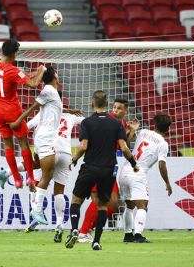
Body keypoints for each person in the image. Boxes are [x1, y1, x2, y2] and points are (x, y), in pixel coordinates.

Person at [64, 90, 139, 251]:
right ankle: (96, 241)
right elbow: (124, 147)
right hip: (108, 169)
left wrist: (74, 159)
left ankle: (76, 230)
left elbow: (83, 146)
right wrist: (133, 163)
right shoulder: (116, 124)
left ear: (92, 104)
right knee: (103, 205)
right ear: (107, 105)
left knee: (76, 201)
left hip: (89, 167)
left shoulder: (87, 122)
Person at [9, 66, 63, 226]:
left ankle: (6, 173)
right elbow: (33, 107)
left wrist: (69, 110)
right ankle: (37, 209)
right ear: (54, 75)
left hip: (42, 137)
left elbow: (49, 109)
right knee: (48, 174)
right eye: (57, 73)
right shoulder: (49, 90)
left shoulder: (51, 92)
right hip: (46, 138)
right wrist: (19, 121)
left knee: (36, 165)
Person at [0, 39, 46, 189]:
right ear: (14, 54)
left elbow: (21, 75)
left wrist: (32, 73)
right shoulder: (13, 71)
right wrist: (41, 71)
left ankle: (16, 179)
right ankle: (30, 178)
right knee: (23, 143)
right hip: (12, 111)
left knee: (8, 144)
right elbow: (34, 84)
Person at [24, 109, 85, 242]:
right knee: (59, 191)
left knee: (37, 180)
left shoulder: (44, 113)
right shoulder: (71, 116)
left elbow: (26, 127)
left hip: (47, 150)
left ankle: (37, 210)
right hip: (66, 153)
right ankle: (59, 224)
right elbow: (87, 121)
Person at [118, 114, 173, 243]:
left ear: (155, 125)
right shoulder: (163, 144)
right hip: (138, 173)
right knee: (143, 206)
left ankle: (127, 235)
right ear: (168, 129)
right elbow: (162, 165)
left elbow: (125, 144)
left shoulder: (143, 132)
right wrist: (167, 183)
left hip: (125, 171)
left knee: (130, 205)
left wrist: (132, 130)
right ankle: (138, 235)